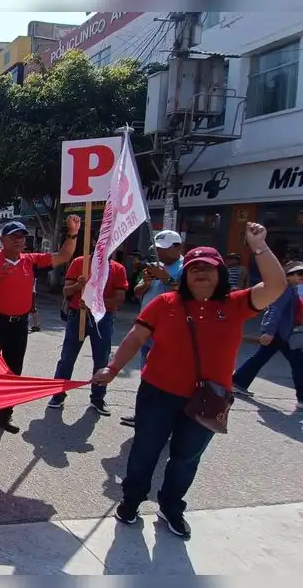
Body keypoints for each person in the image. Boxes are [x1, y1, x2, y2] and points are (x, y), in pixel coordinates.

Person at [92, 225, 285, 539]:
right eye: (194, 267)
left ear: (220, 274)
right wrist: (113, 368)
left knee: (185, 458)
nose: (200, 273)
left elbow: (276, 286)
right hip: (157, 394)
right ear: (185, 275)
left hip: (209, 398)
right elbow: (136, 337)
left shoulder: (236, 304)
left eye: (207, 268)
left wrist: (260, 247)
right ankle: (131, 501)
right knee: (145, 450)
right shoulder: (165, 303)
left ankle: (170, 507)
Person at [0, 217, 80, 433]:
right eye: (14, 237)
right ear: (3, 240)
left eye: (22, 237)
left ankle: (3, 414)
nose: (19, 241)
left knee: (13, 372)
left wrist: (72, 234)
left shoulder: (31, 260)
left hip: (19, 325)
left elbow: (64, 256)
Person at [47, 253, 129, 414]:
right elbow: (66, 292)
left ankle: (98, 397)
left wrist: (95, 302)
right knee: (67, 358)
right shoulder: (80, 263)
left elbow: (119, 299)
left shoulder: (117, 269)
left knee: (101, 360)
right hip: (78, 315)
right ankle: (58, 394)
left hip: (103, 318)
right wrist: (78, 285)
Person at [120, 230, 184, 427]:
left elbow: (187, 294)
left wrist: (166, 278)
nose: (159, 254)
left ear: (178, 248)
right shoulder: (155, 266)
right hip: (147, 329)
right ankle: (142, 415)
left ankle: (165, 420)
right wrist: (146, 282)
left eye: (163, 250)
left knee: (165, 378)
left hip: (170, 331)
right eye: (157, 250)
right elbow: (137, 291)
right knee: (146, 374)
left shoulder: (186, 267)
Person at [232, 262, 303, 408]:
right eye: (299, 274)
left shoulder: (292, 289)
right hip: (281, 334)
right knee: (299, 364)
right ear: (289, 276)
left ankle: (238, 381)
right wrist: (269, 332)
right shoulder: (285, 290)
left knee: (260, 358)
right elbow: (274, 311)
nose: (301, 277)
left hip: (282, 333)